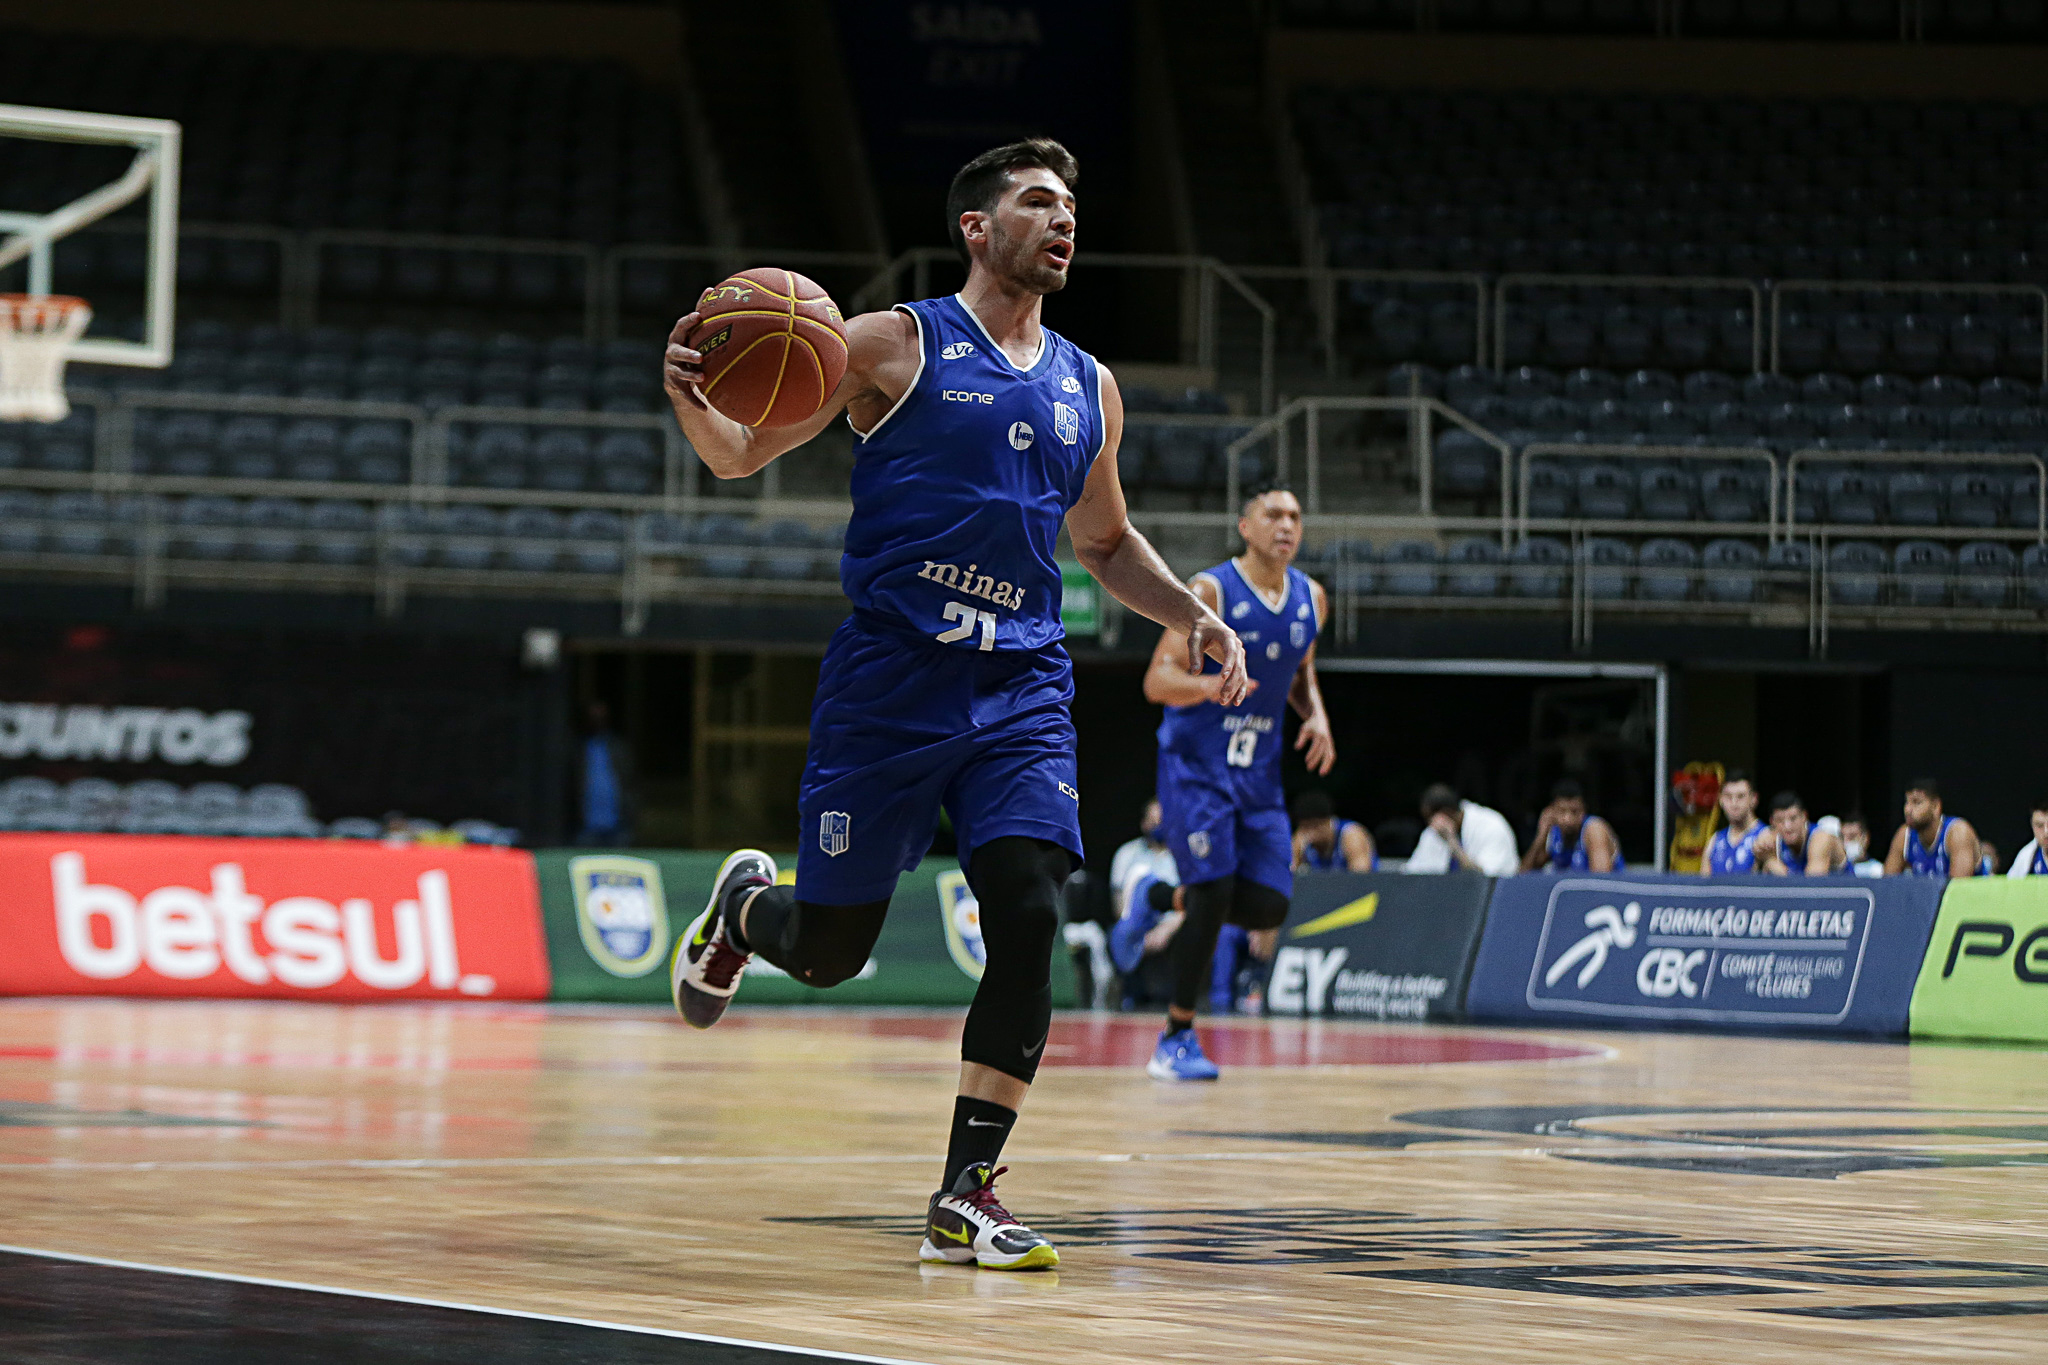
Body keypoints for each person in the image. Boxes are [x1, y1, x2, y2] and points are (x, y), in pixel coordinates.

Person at [661, 139, 1248, 1272]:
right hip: (889, 681)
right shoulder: (891, 342)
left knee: (1029, 902)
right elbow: (739, 454)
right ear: (977, 229)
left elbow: (1104, 541)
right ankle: (744, 913)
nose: (1061, 218)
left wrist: (1188, 613)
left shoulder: (1091, 386)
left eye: (1070, 204)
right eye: (1036, 202)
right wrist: (693, 396)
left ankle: (963, 1190)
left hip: (1020, 683)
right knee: (830, 951)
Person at [1145, 483, 1333, 1082]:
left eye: (1296, 516)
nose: (1287, 525)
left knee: (1270, 904)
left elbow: (1300, 670)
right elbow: (1158, 679)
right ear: (1245, 526)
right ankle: (1175, 1037)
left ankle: (1173, 899)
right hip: (1197, 767)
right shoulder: (1211, 591)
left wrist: (1316, 713)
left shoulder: (1313, 599)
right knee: (1214, 889)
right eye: (1273, 514)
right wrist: (1209, 685)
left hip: (1258, 774)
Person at [1406, 783, 1520, 876]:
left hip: (1495, 899)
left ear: (1446, 813)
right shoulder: (1432, 832)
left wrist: (1452, 842)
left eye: (1430, 819)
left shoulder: (1492, 825)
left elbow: (1485, 880)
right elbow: (1414, 874)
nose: (1431, 826)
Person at [1521, 778, 1624, 873]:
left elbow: (1601, 882)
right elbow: (1522, 876)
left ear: (1584, 810)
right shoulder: (1553, 833)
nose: (1568, 820)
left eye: (1575, 812)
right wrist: (1541, 836)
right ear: (1552, 811)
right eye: (1562, 811)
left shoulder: (1594, 829)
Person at [1884, 778, 1981, 878]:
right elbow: (1886, 885)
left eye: (1916, 802)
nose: (1908, 810)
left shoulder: (1958, 832)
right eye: (1906, 802)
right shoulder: (1905, 835)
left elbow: (1959, 887)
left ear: (1936, 806)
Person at [575, 701, 635, 846]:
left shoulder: (618, 747)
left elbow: (631, 783)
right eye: (593, 717)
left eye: (601, 717)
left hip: (617, 825)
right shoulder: (578, 748)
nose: (597, 722)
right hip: (587, 826)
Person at [1109, 798, 1176, 915]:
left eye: (1161, 821)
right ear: (1144, 823)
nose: (1158, 826)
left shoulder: (1182, 855)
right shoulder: (1127, 853)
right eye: (1153, 822)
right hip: (1136, 925)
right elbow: (1118, 902)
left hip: (1174, 925)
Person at [1756, 792, 1846, 875]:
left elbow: (1812, 886)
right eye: (1780, 821)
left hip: (1848, 890)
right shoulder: (1770, 840)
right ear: (1772, 822)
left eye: (1793, 818)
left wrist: (1771, 861)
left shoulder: (1821, 838)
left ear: (1804, 817)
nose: (1788, 827)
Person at [1292, 789, 1376, 871]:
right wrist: (1296, 853)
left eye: (1315, 826)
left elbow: (1361, 879)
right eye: (1305, 827)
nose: (1311, 833)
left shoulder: (1351, 836)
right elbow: (1288, 875)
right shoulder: (1301, 840)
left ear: (1328, 821)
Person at [1700, 769, 1763, 876]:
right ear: (1720, 800)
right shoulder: (1714, 841)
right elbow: (1703, 887)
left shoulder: (1766, 836)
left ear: (1754, 799)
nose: (1734, 804)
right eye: (1728, 797)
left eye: (1740, 796)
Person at [2006, 801, 2048, 877]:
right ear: (2032, 826)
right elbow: (2010, 886)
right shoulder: (2025, 856)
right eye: (2039, 826)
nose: (2046, 832)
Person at [1837, 812, 1884, 878]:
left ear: (1866, 838)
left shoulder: (1878, 870)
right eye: (1842, 837)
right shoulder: (1835, 869)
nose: (1846, 842)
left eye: (1852, 836)